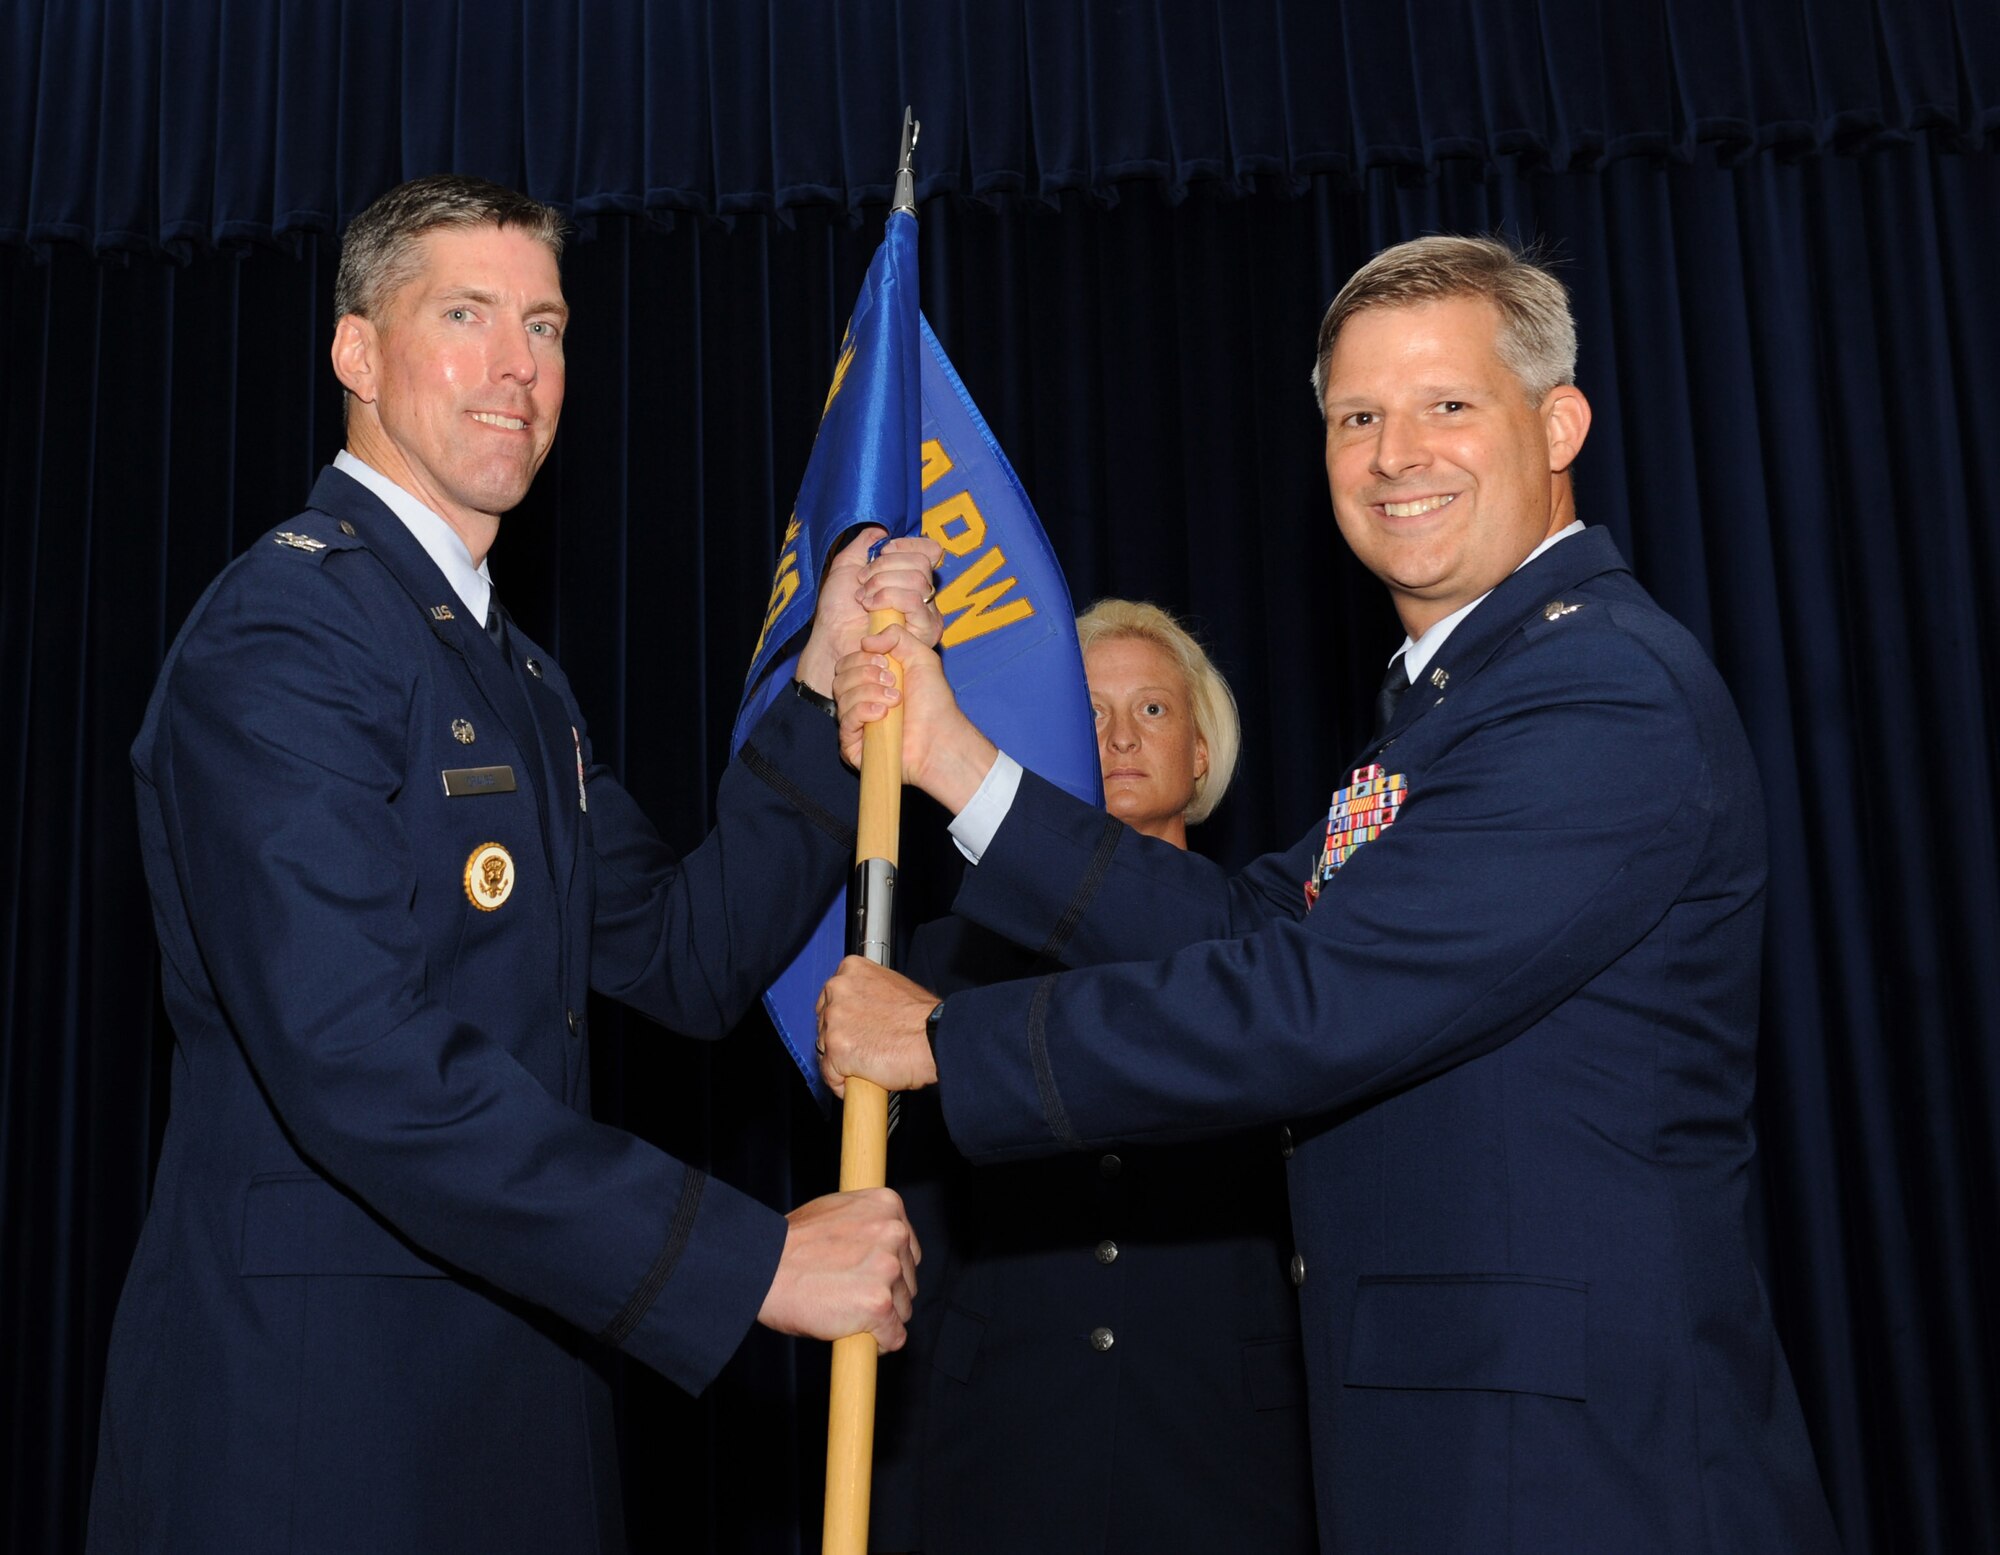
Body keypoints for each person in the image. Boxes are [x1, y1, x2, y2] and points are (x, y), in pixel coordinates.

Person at [818, 236, 1841, 1551]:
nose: (1397, 453)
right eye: (1359, 416)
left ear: (1560, 419)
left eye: (1447, 406)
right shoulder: (1455, 703)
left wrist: (952, 1039)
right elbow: (1257, 925)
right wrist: (956, 755)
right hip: (1455, 1433)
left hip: (1578, 1465)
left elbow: (1310, 1000)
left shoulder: (1599, 695)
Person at [86, 174, 943, 1555]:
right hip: (328, 1428)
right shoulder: (285, 631)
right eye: (466, 314)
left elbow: (681, 952)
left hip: (520, 1395)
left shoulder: (513, 673)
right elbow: (360, 1059)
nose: (516, 368)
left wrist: (824, 693)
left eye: (543, 326)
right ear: (355, 351)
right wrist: (749, 1257)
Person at [869, 601, 1315, 1554]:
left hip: (1226, 1448)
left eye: (1151, 711)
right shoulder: (946, 957)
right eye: (1089, 710)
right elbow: (916, 1226)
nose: (1117, 735)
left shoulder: (1278, 949)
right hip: (1002, 1442)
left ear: (1202, 752)